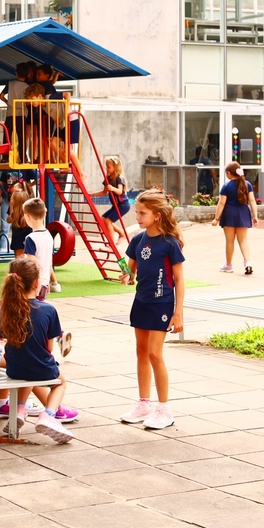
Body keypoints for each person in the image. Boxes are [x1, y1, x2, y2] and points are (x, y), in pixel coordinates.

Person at [120, 190, 185, 431]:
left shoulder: (169, 243)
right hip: (141, 302)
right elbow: (131, 270)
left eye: (142, 213)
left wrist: (178, 312)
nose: (137, 217)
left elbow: (179, 280)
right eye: (137, 212)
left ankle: (165, 409)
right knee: (141, 352)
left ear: (157, 215)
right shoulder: (137, 240)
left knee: (155, 354)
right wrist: (127, 276)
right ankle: (144, 404)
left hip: (162, 304)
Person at [0, 257, 74, 443]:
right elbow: (49, 348)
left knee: (27, 371)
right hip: (39, 367)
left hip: (14, 368)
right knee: (60, 382)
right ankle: (49, 415)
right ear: (37, 283)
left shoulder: (5, 308)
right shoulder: (48, 310)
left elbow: (2, 337)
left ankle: (20, 409)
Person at [212, 161, 257, 274]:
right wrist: (255, 216)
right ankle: (247, 261)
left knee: (230, 241)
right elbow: (252, 200)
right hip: (243, 213)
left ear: (229, 173)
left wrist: (216, 218)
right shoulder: (247, 184)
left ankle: (228, 265)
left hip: (229, 214)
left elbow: (221, 203)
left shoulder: (226, 186)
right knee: (243, 240)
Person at [22, 197, 61, 296]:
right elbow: (49, 261)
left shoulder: (30, 238)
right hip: (44, 282)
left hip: (33, 283)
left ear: (27, 216)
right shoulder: (48, 235)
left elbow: (31, 262)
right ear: (45, 214)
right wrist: (47, 281)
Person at [93, 157, 130, 245]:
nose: (107, 169)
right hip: (116, 205)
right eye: (106, 166)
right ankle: (121, 233)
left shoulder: (119, 178)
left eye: (109, 167)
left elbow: (120, 191)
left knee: (108, 221)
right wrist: (92, 194)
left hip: (123, 205)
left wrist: (113, 188)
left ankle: (111, 244)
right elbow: (104, 192)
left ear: (116, 167)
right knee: (102, 219)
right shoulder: (108, 178)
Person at [8, 185, 31, 258]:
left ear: (17, 201)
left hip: (25, 234)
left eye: (12, 198)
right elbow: (9, 220)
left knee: (27, 254)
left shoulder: (28, 213)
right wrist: (11, 207)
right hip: (17, 235)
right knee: (19, 255)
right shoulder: (14, 211)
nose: (10, 199)